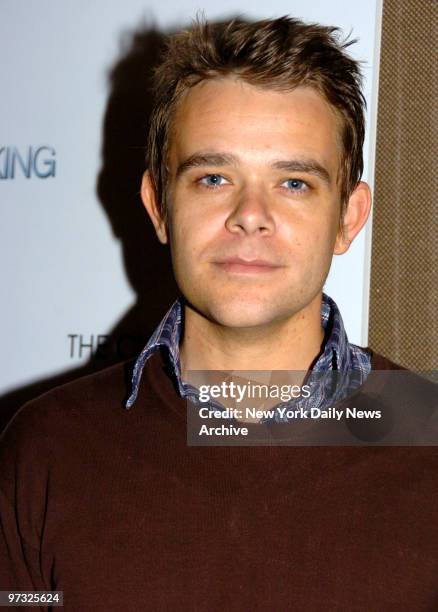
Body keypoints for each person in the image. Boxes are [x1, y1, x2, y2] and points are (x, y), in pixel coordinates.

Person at [1, 16, 437, 611]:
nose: (249, 215)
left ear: (348, 217)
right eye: (213, 177)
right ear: (158, 206)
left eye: (293, 183)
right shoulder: (45, 451)